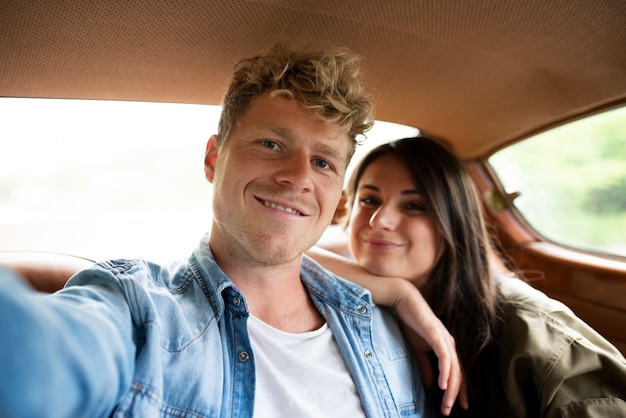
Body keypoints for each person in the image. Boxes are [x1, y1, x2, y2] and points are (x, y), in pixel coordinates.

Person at [0, 45, 463, 417]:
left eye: (323, 162)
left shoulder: (387, 331)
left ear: (336, 196)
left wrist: (398, 294)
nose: (299, 176)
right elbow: (44, 364)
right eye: (271, 143)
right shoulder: (138, 309)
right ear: (212, 159)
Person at [308, 136, 626, 417]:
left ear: (453, 221)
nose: (380, 220)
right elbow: (279, 249)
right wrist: (399, 293)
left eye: (414, 205)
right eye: (369, 200)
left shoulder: (534, 329)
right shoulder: (358, 296)